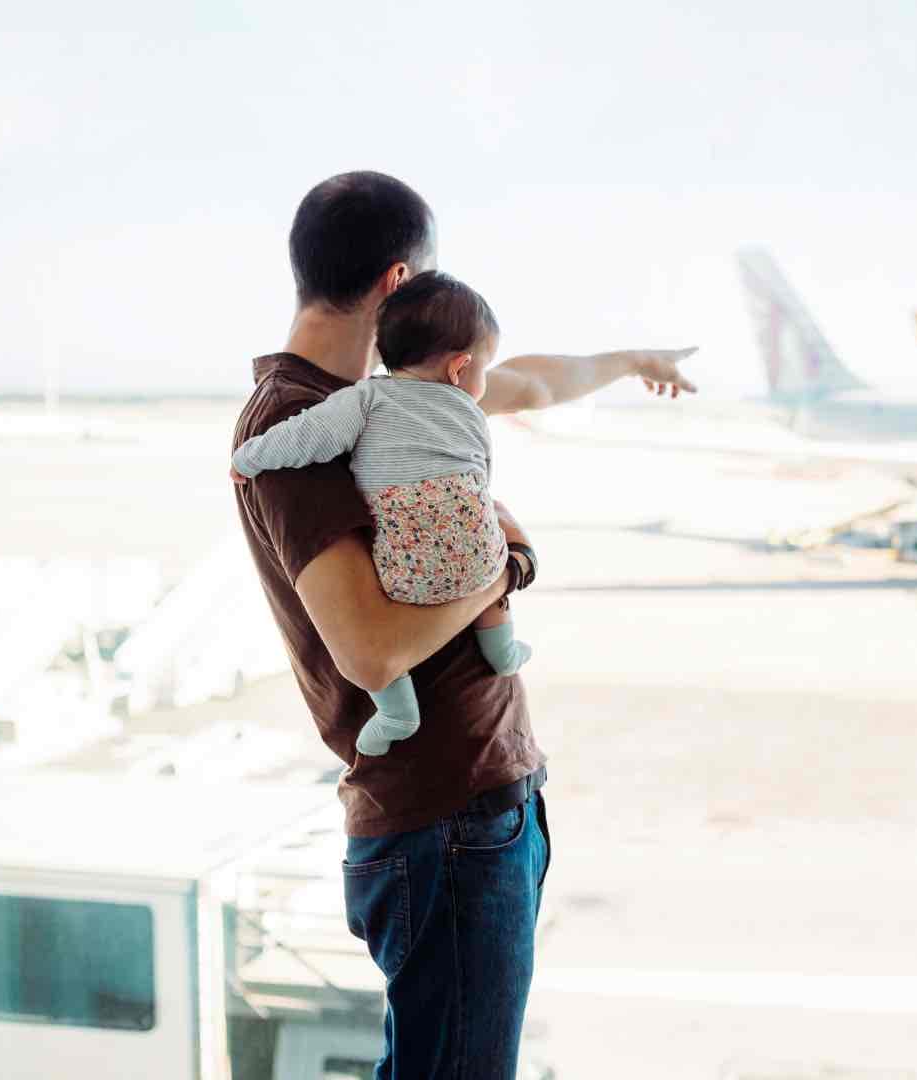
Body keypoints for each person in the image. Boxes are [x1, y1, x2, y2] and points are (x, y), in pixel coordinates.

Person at [231, 170, 696, 1078]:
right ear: (400, 284)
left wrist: (634, 359)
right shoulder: (302, 422)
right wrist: (503, 557)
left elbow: (530, 380)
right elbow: (371, 648)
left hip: (478, 809)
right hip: (441, 817)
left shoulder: (397, 393)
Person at [232, 271, 533, 757]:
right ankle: (503, 651)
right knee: (482, 541)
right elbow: (482, 480)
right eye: (485, 368)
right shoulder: (470, 413)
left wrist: (248, 459)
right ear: (459, 369)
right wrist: (502, 547)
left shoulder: (364, 400)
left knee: (407, 591)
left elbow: (307, 437)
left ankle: (396, 711)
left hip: (403, 575)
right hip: (483, 560)